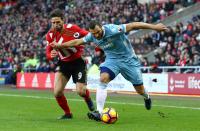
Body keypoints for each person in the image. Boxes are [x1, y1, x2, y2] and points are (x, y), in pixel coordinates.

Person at [50, 20, 168, 121]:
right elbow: (76, 42)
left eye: (98, 32)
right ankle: (99, 112)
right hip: (112, 60)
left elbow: (133, 25)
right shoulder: (91, 36)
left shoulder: (113, 29)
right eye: (93, 33)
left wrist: (154, 27)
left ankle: (146, 97)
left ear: (101, 28)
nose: (96, 35)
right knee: (103, 79)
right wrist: (60, 46)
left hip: (129, 60)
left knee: (139, 90)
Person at [45, 9, 94, 119]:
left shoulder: (73, 29)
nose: (55, 25)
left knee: (80, 91)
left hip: (78, 63)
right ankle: (68, 113)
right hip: (63, 64)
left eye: (58, 22)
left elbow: (88, 36)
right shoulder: (50, 35)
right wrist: (50, 55)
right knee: (57, 92)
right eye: (53, 23)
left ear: (63, 20)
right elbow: (48, 51)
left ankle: (88, 99)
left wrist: (98, 47)